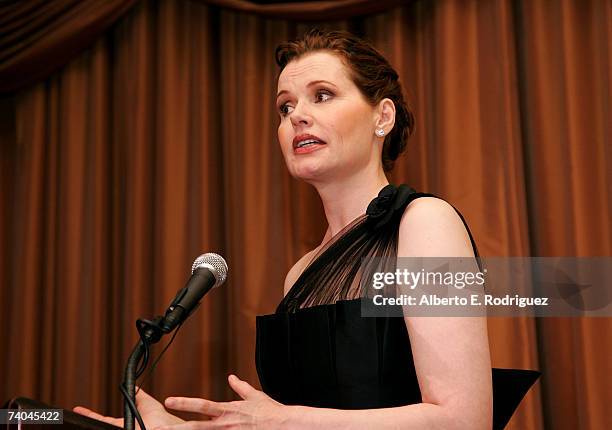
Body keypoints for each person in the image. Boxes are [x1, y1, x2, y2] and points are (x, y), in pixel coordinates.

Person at [76, 28, 494, 429]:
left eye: (322, 96)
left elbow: (464, 419)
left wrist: (283, 420)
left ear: (382, 116)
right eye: (285, 107)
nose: (298, 117)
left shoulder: (423, 222)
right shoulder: (299, 273)